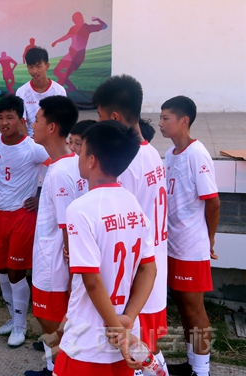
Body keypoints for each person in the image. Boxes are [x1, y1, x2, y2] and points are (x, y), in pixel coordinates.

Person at [53, 121, 156, 376]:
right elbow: (149, 269)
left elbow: (92, 281)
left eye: (82, 149)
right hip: (124, 338)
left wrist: (118, 330)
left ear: (91, 161)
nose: (77, 154)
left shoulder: (80, 209)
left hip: (87, 341)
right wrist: (127, 320)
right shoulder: (133, 204)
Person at [93, 75, 170, 375]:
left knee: (138, 357)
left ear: (114, 118)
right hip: (152, 275)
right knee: (147, 352)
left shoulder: (125, 164)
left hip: (136, 282)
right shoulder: (150, 153)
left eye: (100, 117)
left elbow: (120, 229)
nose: (98, 124)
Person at [159, 96, 220, 376]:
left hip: (190, 246)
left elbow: (213, 202)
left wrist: (209, 239)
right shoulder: (171, 154)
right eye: (160, 118)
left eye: (166, 118)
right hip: (172, 244)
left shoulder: (197, 153)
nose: (160, 123)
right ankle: (192, 363)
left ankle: (202, 371)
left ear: (184, 121)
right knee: (182, 307)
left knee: (195, 310)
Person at [0, 94, 49, 348]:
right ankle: (13, 319)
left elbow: (59, 168)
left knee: (16, 272)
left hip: (23, 216)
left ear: (22, 120)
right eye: (0, 118)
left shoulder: (34, 147)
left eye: (9, 117)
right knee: (0, 270)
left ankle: (21, 326)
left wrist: (41, 199)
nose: (4, 123)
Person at [24, 96, 83, 376]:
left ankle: (61, 369)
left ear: (51, 127)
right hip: (51, 261)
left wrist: (73, 274)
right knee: (49, 320)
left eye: (37, 119)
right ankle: (54, 367)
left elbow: (68, 227)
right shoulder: (68, 163)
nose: (31, 124)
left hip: (54, 266)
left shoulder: (61, 171)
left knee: (50, 320)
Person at [16, 47, 66, 137]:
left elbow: (61, 121)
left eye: (38, 66)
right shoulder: (21, 92)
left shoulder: (59, 91)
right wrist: (27, 142)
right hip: (31, 138)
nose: (34, 71)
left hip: (52, 138)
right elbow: (21, 122)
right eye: (30, 67)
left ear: (47, 66)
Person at [51, 12, 107, 92]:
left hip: (78, 56)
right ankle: (70, 88)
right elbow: (67, 36)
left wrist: (97, 19)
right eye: (73, 19)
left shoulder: (86, 27)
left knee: (65, 76)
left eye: (74, 18)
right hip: (71, 54)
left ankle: (62, 90)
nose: (73, 20)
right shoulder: (73, 28)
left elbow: (104, 26)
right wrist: (56, 41)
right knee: (56, 71)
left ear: (79, 18)